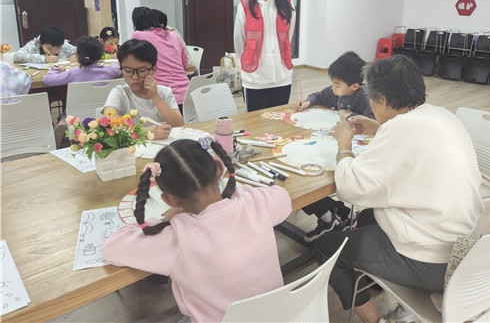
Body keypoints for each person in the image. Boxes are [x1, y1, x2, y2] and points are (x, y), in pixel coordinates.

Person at [314, 55, 484, 323]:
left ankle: (376, 320)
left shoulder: (400, 130)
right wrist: (381, 127)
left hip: (434, 262)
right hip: (466, 242)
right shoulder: (442, 115)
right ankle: (380, 279)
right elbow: (412, 148)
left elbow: (350, 188)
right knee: (367, 217)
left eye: (372, 99)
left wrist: (344, 144)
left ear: (382, 101)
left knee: (327, 247)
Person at [103, 137, 292, 323]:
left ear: (170, 200)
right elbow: (282, 197)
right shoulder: (253, 203)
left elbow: (112, 249)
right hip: (276, 317)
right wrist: (239, 193)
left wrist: (164, 220)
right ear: (219, 170)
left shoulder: (176, 238)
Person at [296, 51, 374, 242]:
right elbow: (318, 95)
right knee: (304, 169)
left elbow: (371, 120)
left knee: (308, 179)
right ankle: (342, 213)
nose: (333, 88)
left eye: (337, 85)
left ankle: (328, 219)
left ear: (354, 86)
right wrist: (307, 102)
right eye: (332, 83)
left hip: (351, 149)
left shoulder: (363, 96)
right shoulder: (337, 91)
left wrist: (350, 117)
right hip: (330, 141)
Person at [233, 0, 296, 112]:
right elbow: (239, 39)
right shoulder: (246, 3)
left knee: (278, 121)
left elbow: (288, 37)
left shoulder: (287, 3)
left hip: (281, 76)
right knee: (255, 123)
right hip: (255, 78)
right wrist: (245, 62)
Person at [43, 36, 122, 146]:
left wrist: (56, 68)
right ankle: (65, 120)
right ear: (101, 56)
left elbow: (47, 80)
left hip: (76, 113)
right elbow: (117, 69)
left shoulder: (74, 72)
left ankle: (64, 121)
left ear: (77, 55)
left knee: (68, 108)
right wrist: (112, 64)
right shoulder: (110, 72)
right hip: (103, 111)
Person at [103, 39, 184, 140]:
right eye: (128, 71)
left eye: (142, 71)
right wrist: (146, 133)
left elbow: (179, 125)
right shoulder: (120, 93)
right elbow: (109, 126)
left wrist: (155, 96)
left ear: (153, 70)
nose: (135, 77)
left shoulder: (164, 92)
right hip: (134, 148)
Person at [131, 6, 189, 109]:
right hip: (187, 93)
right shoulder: (174, 35)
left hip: (162, 96)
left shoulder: (138, 35)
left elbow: (133, 63)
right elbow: (185, 64)